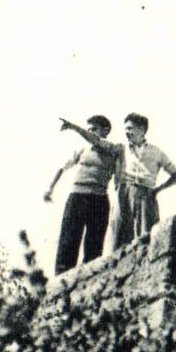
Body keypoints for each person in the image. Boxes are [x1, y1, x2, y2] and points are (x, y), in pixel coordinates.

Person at [45, 113, 117, 275]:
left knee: (94, 248)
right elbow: (62, 168)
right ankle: (61, 281)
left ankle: (88, 282)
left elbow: (95, 141)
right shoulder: (82, 149)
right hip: (77, 197)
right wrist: (50, 188)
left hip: (98, 199)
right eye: (88, 129)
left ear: (105, 131)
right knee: (67, 242)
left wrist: (73, 127)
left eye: (94, 129)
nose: (90, 132)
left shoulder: (112, 148)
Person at [110, 113, 176, 248]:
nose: (127, 132)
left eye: (130, 128)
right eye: (125, 129)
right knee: (118, 238)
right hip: (124, 193)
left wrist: (158, 189)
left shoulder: (156, 152)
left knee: (146, 238)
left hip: (146, 194)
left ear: (142, 129)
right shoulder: (121, 149)